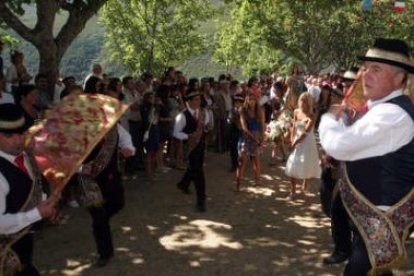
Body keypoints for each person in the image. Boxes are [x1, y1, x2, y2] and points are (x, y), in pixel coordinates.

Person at [319, 38, 414, 275]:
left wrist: (329, 119)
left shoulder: (392, 114)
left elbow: (339, 145)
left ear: (399, 78)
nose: (365, 76)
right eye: (366, 68)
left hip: (381, 218)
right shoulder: (383, 109)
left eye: (376, 69)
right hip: (370, 215)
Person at [0, 103, 58, 275]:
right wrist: (37, 214)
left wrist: (46, 205)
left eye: (21, 133)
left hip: (21, 248)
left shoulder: (24, 156)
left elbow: (31, 189)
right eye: (9, 135)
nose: (18, 140)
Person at [174, 91, 211, 212]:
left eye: (199, 99)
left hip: (200, 145)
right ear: (188, 102)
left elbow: (205, 126)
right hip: (189, 147)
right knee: (199, 172)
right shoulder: (182, 116)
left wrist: (207, 127)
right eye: (195, 99)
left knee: (196, 167)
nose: (198, 101)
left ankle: (183, 184)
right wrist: (188, 136)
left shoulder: (203, 112)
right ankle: (201, 200)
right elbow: (176, 133)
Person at [284, 92, 321, 200]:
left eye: (304, 100)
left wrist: (295, 143)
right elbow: (294, 127)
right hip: (296, 139)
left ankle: (305, 183)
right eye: (301, 100)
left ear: (308, 102)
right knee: (292, 164)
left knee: (307, 162)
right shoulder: (296, 111)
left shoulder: (312, 115)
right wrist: (291, 139)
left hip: (307, 142)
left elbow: (305, 133)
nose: (302, 102)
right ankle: (293, 191)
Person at [236, 90, 265, 191]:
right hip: (245, 137)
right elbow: (244, 126)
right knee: (242, 161)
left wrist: (262, 137)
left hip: (256, 137)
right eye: (250, 99)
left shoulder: (260, 110)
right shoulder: (243, 110)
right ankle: (238, 183)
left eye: (254, 99)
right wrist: (253, 136)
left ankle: (257, 180)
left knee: (256, 160)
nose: (252, 101)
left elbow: (262, 125)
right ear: (246, 100)